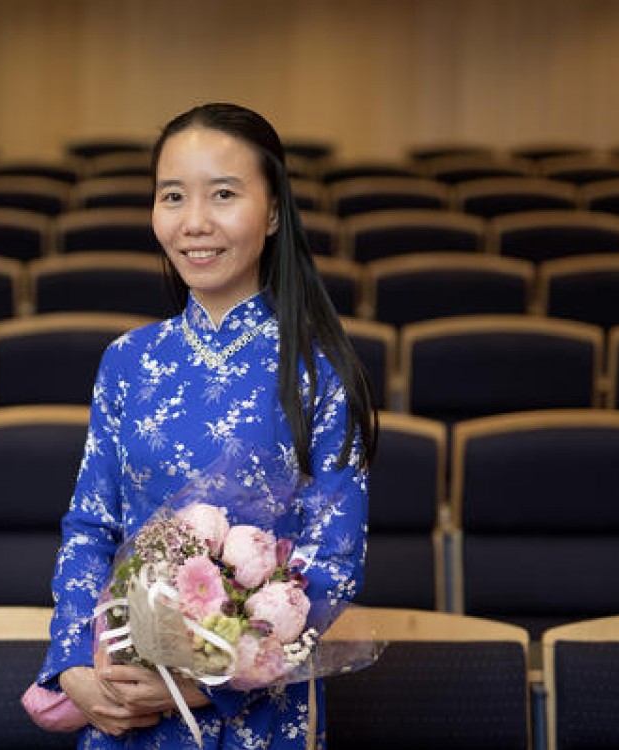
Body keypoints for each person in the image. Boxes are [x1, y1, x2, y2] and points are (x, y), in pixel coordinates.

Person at [35, 102, 377, 749]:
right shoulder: (127, 360)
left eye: (223, 194)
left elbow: (333, 559)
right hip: (124, 700)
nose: (194, 222)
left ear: (274, 210)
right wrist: (72, 664)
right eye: (172, 196)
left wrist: (212, 680)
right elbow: (90, 526)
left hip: (265, 709)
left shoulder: (320, 369)